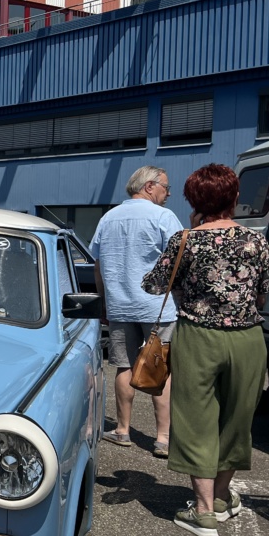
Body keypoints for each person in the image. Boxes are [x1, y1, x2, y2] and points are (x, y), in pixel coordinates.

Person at [142, 164, 269, 536]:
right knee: (237, 419)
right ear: (234, 198)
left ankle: (203, 512)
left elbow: (154, 285)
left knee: (197, 419)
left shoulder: (186, 240)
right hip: (247, 338)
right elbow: (263, 293)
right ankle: (219, 497)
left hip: (198, 336)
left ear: (194, 202)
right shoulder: (256, 241)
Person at [89, 166, 182, 458]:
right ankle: (163, 438)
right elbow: (181, 258)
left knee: (123, 366)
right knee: (160, 368)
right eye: (166, 188)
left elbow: (98, 264)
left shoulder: (108, 217)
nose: (168, 194)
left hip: (120, 304)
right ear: (150, 186)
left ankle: (122, 430)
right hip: (159, 307)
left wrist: (103, 300)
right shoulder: (163, 217)